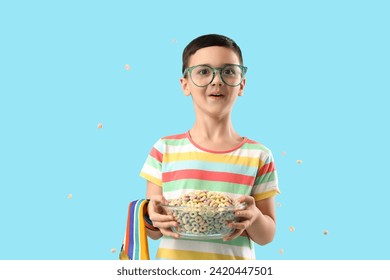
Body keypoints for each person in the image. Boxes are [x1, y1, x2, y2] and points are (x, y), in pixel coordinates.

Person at [140, 34, 280, 260]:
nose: (217, 80)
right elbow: (152, 231)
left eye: (228, 71)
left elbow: (267, 236)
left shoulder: (259, 155)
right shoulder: (164, 149)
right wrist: (150, 216)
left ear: (241, 84)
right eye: (204, 71)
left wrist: (254, 217)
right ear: (185, 85)